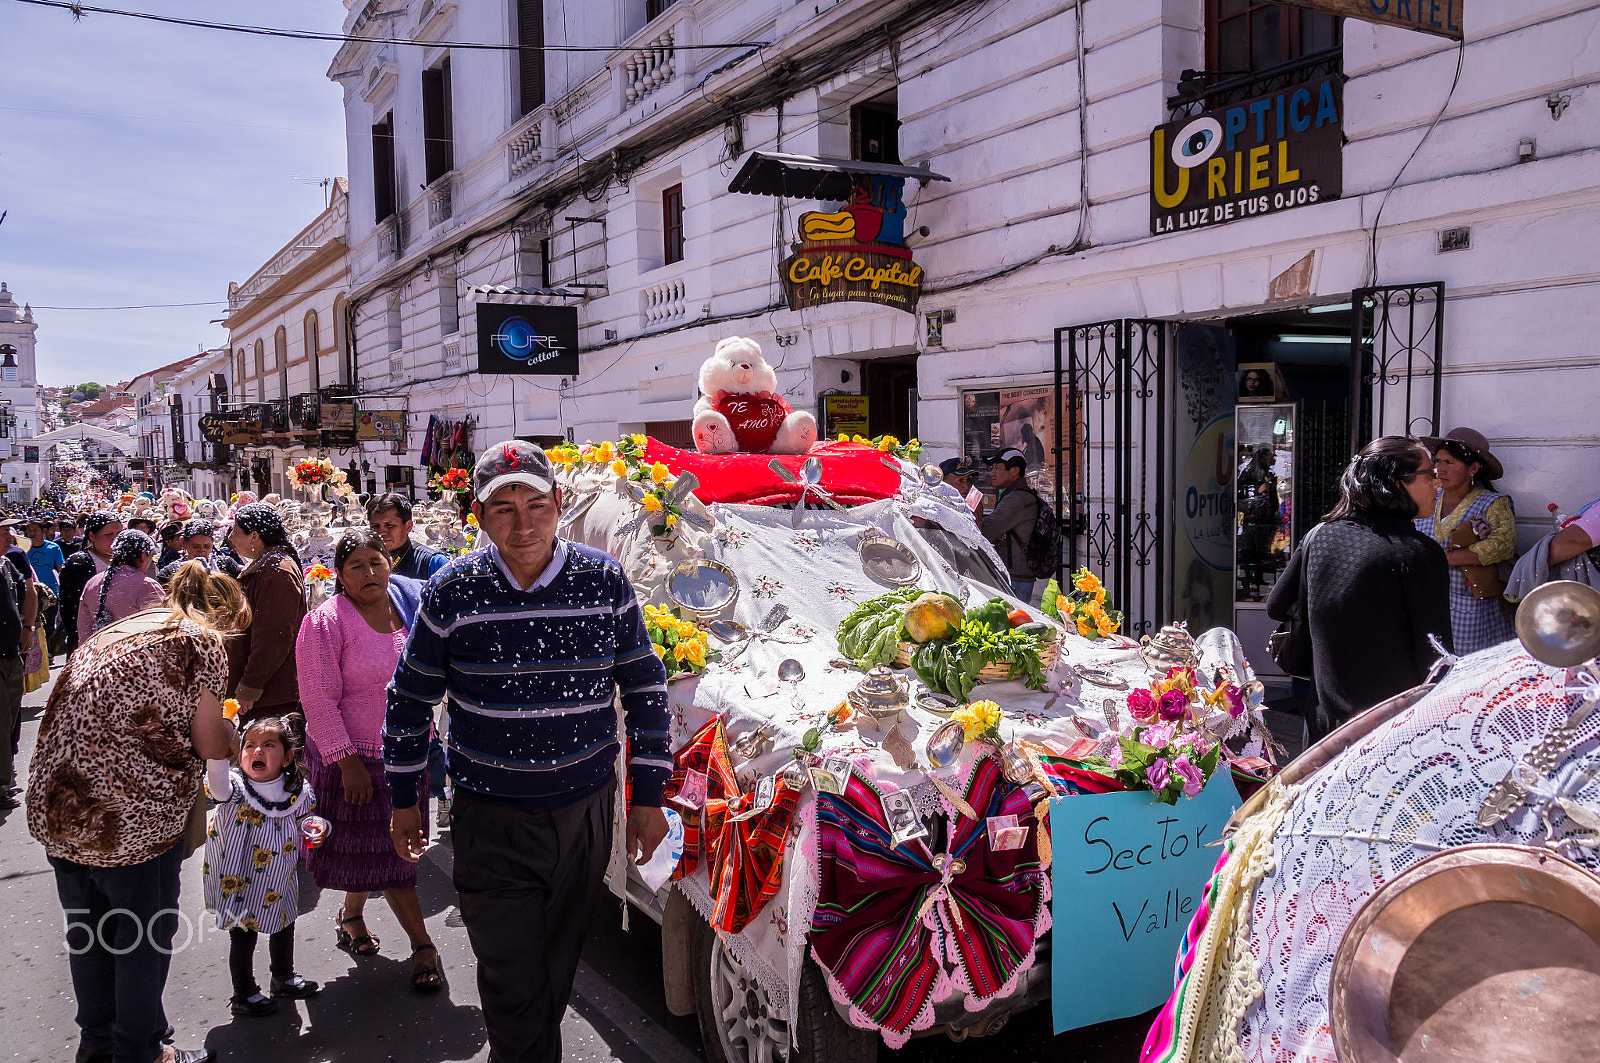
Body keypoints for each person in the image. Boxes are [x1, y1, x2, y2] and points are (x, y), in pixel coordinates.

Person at [385, 440, 671, 1062]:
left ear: (558, 505)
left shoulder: (603, 580)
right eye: (504, 509)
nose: (523, 524)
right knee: (512, 981)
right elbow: (409, 699)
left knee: (554, 967)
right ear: (479, 518)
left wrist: (648, 800)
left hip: (584, 813)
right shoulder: (452, 592)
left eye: (536, 504)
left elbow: (647, 691)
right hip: (491, 818)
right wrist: (404, 799)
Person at [26, 563, 244, 1063]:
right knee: (140, 942)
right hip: (128, 818)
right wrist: (231, 739)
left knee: (90, 937)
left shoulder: (124, 630)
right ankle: (141, 1052)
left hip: (60, 809)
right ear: (222, 615)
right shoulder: (199, 641)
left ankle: (98, 1046)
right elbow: (210, 742)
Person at [296, 529, 441, 991]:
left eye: (375, 562)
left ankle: (351, 916)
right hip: (354, 760)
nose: (368, 572)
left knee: (381, 850)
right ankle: (423, 945)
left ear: (390, 565)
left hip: (406, 755)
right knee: (395, 856)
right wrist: (347, 762)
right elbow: (317, 697)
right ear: (339, 575)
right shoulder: (326, 622)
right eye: (355, 565)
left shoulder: (408, 611)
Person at [1267, 436, 1451, 742]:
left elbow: (1276, 606)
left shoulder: (1321, 535)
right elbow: (1436, 657)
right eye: (1430, 474)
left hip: (1324, 727)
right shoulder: (1417, 552)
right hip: (1389, 733)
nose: (1438, 484)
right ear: (1396, 483)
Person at [203, 713, 323, 1017]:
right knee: (244, 934)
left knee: (284, 923)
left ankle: (282, 977)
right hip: (239, 876)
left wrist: (318, 828)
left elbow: (306, 820)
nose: (256, 751)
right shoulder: (232, 788)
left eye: (268, 745)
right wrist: (221, 741)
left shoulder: (297, 790)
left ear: (287, 757)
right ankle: (244, 992)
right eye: (250, 745)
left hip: (279, 875)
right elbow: (215, 783)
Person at [1415, 427, 1517, 655]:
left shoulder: (1493, 503)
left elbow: (1502, 546)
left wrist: (1441, 558)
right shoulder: (1426, 497)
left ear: (1473, 468)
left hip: (1470, 605)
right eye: (1438, 461)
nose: (1440, 469)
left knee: (1465, 667)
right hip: (1426, 600)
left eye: (1449, 463)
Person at [225, 503, 307, 728]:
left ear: (254, 536)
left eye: (235, 531)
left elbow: (273, 639)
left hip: (271, 697)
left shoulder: (275, 572)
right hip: (266, 694)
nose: (230, 538)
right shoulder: (266, 566)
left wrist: (249, 687)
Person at [79, 529, 165, 643]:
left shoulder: (92, 583)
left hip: (98, 655)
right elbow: (161, 633)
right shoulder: (147, 585)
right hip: (135, 656)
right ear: (144, 555)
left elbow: (84, 632)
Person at [0, 544, 37, 809]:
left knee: (11, 719)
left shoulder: (7, 563)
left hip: (12, 653)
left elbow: (29, 591)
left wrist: (28, 626)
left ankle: (5, 771)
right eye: (3, 530)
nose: (10, 536)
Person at [58, 511, 123, 658]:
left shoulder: (126, 559)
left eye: (119, 533)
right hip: (89, 641)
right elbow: (70, 609)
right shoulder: (79, 563)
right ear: (92, 536)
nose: (116, 539)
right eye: (109, 535)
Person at [983, 448, 1040, 601]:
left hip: (1015, 578)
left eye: (997, 468)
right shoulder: (1014, 494)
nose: (992, 473)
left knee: (1013, 621)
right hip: (1017, 575)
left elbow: (987, 530)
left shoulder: (1016, 498)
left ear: (1014, 470)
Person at [367, 493, 449, 582]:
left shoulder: (433, 563)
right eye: (375, 526)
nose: (381, 533)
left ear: (408, 526)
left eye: (389, 525)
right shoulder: (363, 561)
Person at [157, 518, 241, 585]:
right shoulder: (170, 573)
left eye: (207, 546)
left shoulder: (227, 565)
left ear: (213, 542)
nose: (201, 551)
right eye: (195, 546)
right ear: (183, 542)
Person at [939, 456, 985, 526]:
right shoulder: (935, 504)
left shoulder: (973, 504)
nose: (966, 487)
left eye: (968, 480)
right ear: (944, 482)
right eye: (960, 481)